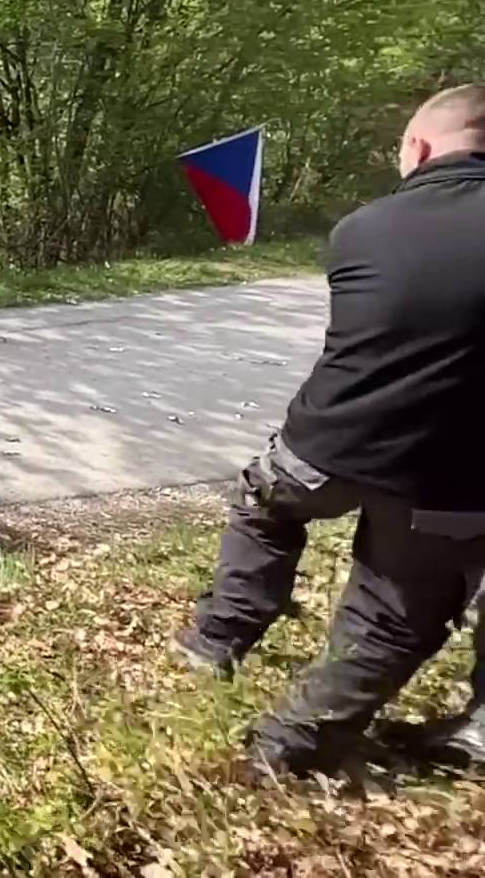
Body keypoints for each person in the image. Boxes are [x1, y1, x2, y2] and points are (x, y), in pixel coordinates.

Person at [175, 84, 485, 776]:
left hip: (326, 446)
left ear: (419, 148)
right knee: (390, 618)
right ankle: (289, 750)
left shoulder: (363, 227)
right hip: (452, 480)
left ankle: (216, 640)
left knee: (263, 505)